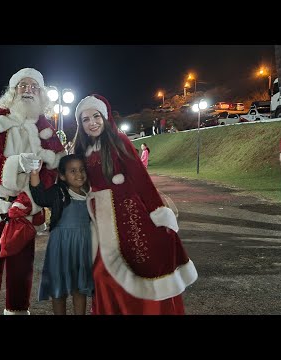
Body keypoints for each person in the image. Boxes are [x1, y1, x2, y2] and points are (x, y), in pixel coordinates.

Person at [73, 94, 197, 315]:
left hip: (130, 214)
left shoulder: (119, 141)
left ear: (105, 116)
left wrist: (159, 213)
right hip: (99, 221)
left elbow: (141, 179)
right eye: (85, 119)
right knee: (103, 275)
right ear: (80, 125)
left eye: (96, 116)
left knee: (141, 269)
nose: (92, 122)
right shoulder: (82, 150)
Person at [0, 67, 66, 315]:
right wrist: (18, 163)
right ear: (13, 90)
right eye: (23, 85)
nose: (28, 90)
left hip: (26, 208)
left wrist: (36, 191)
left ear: (40, 93)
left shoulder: (44, 125)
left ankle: (18, 310)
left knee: (22, 268)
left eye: (33, 87)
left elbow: (55, 166)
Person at [30, 154, 94, 315]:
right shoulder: (59, 192)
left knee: (80, 289)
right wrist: (35, 174)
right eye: (72, 171)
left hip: (83, 246)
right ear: (62, 175)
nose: (79, 174)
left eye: (81, 170)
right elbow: (41, 198)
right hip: (61, 246)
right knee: (59, 289)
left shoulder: (91, 193)